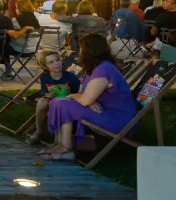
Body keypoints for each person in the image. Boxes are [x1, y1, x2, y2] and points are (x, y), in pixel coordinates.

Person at [41, 33, 136, 161]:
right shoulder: (94, 68)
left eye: (81, 48)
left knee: (62, 103)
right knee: (58, 102)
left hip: (118, 119)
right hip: (103, 111)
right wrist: (85, 99)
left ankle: (66, 148)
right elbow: (84, 95)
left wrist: (75, 96)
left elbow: (85, 99)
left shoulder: (104, 70)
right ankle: (60, 144)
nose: (79, 51)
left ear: (89, 51)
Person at [26, 49, 81, 146]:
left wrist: (67, 92)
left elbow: (78, 95)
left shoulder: (70, 77)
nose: (56, 64)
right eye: (51, 62)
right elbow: (44, 92)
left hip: (68, 102)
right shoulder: (45, 77)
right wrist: (50, 93)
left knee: (55, 105)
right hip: (51, 100)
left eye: (57, 60)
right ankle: (39, 132)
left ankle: (57, 141)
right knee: (42, 102)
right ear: (45, 66)